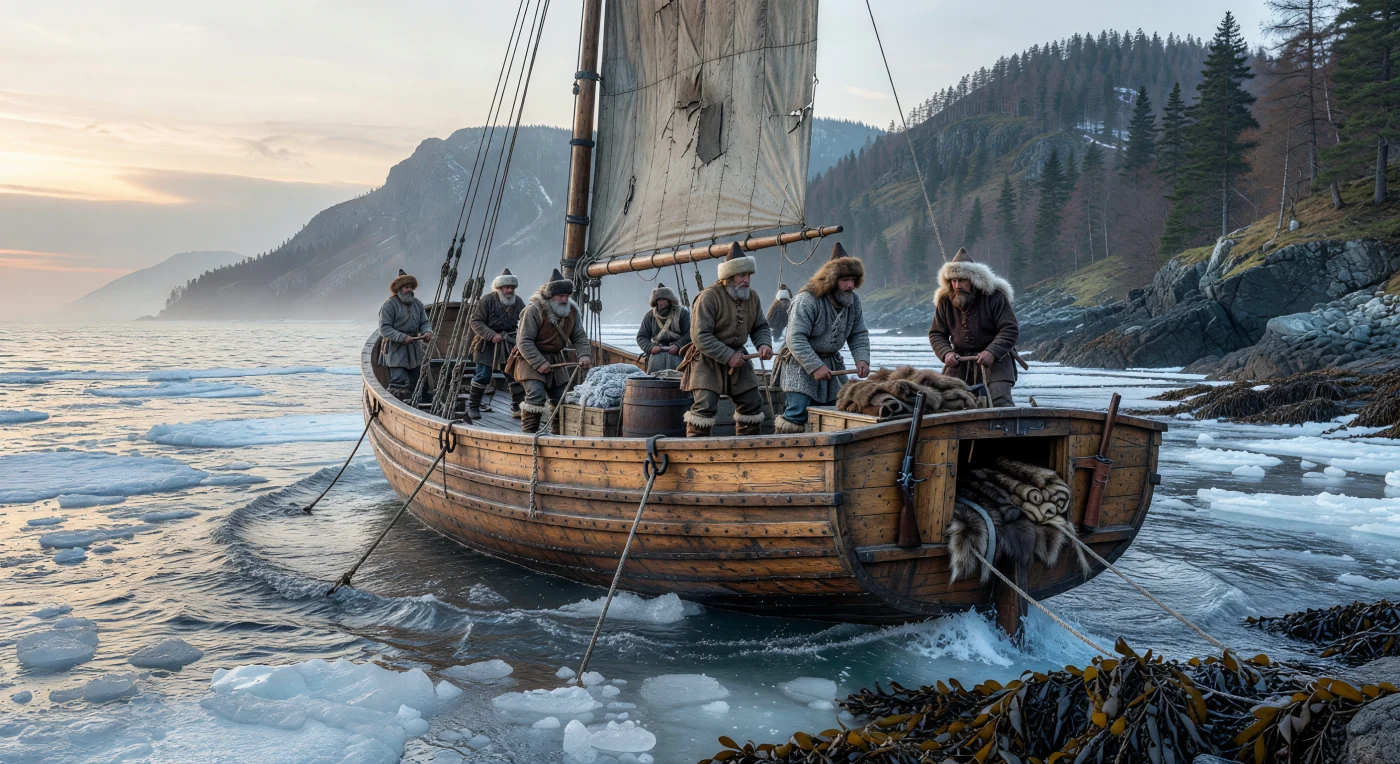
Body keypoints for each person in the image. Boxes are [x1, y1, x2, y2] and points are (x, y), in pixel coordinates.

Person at [772, 243, 871, 433]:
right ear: (832, 280)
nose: (850, 285)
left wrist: (862, 359)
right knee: (796, 414)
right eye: (844, 280)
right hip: (799, 364)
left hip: (832, 364)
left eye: (852, 279)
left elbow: (858, 333)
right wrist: (815, 366)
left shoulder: (853, 301)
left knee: (834, 412)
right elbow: (795, 339)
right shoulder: (807, 300)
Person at [680, 244, 773, 437]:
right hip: (707, 359)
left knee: (752, 402)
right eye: (742, 276)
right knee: (704, 406)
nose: (746, 280)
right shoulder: (709, 297)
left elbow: (760, 327)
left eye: (748, 275)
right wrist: (728, 355)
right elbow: (700, 336)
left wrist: (764, 344)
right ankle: (696, 453)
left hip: (739, 358)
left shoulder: (752, 297)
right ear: (729, 277)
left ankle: (748, 450)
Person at [927, 248, 1020, 407]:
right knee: (948, 402)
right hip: (960, 363)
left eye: (962, 280)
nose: (957, 286)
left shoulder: (995, 297)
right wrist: (946, 353)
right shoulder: (945, 301)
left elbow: (1009, 329)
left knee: (999, 402)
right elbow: (937, 334)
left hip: (996, 363)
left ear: (973, 279)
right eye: (953, 281)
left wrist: (992, 352)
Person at [506, 268, 592, 433]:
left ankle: (557, 435)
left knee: (563, 397)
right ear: (550, 296)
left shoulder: (572, 312)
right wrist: (539, 363)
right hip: (529, 358)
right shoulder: (533, 311)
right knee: (536, 394)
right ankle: (529, 437)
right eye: (560, 296)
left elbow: (579, 337)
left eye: (567, 296)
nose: (564, 299)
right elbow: (524, 341)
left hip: (555, 359)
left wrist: (584, 355)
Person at [466, 268, 525, 419]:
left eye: (512, 287)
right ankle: (473, 406)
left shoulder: (518, 302)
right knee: (483, 375)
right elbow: (475, 322)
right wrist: (492, 335)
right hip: (486, 344)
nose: (509, 290)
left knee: (514, 375)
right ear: (499, 288)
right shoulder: (486, 301)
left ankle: (517, 406)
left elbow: (525, 321)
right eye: (507, 287)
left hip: (507, 344)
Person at [379, 269, 433, 400]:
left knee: (419, 379)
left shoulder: (418, 304)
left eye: (411, 287)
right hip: (395, 349)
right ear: (398, 288)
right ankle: (398, 408)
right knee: (398, 382)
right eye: (406, 287)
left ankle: (421, 406)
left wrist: (427, 332)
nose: (409, 290)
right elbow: (384, 328)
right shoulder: (389, 305)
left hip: (414, 349)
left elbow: (424, 322)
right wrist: (402, 337)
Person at [635, 282, 691, 374]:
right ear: (656, 301)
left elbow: (690, 334)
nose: (662, 303)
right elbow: (641, 337)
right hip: (656, 356)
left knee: (678, 379)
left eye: (665, 300)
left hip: (678, 355)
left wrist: (678, 346)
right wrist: (651, 347)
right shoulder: (650, 316)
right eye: (660, 300)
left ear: (670, 300)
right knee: (654, 381)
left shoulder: (682, 314)